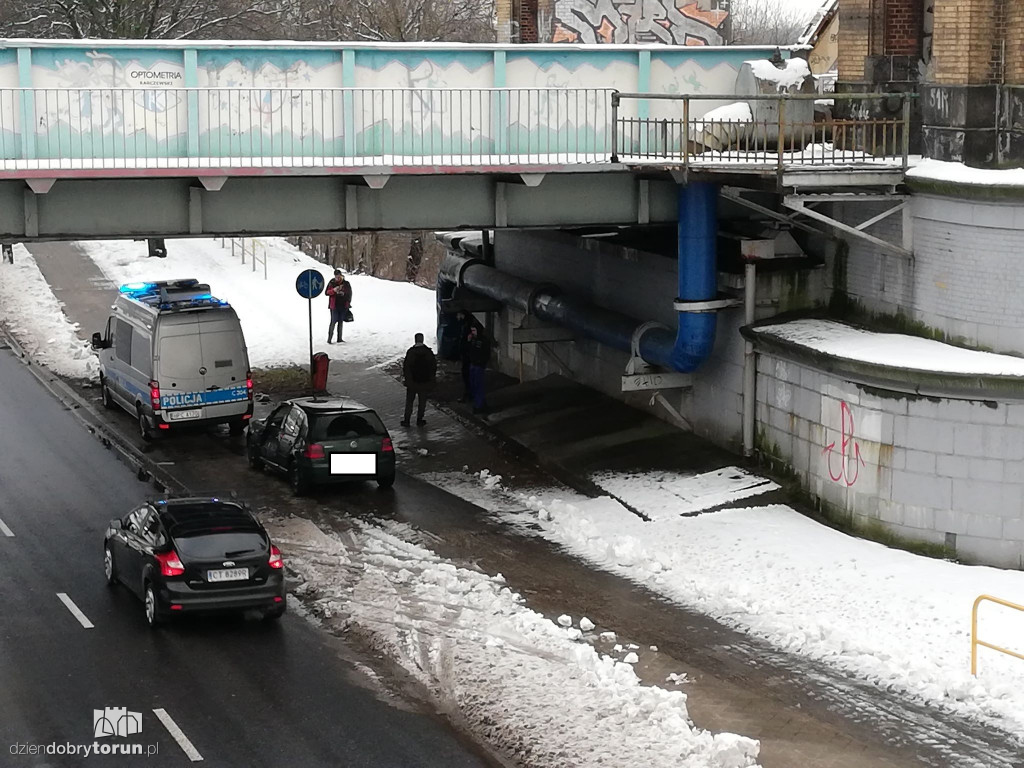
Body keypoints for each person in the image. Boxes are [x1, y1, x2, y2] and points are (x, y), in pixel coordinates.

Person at [401, 333, 437, 427]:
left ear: (415, 340)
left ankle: (407, 420)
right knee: (422, 402)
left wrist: (408, 381)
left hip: (412, 383)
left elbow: (406, 368)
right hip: (424, 383)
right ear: (423, 340)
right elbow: (433, 367)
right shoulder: (428, 352)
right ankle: (419, 420)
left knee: (409, 402)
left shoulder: (411, 352)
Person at [456, 311, 484, 402]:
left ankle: (471, 396)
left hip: (470, 358)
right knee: (471, 379)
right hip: (470, 357)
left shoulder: (467, 327)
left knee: (471, 379)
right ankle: (473, 397)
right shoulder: (469, 325)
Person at [465, 324, 491, 415]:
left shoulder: (483, 341)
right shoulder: (473, 340)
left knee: (478, 385)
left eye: (474, 331)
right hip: (473, 364)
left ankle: (479, 405)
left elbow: (486, 353)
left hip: (479, 365)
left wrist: (482, 363)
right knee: (474, 385)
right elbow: (468, 350)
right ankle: (480, 403)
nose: (473, 333)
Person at [326, 269, 352, 344]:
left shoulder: (346, 283)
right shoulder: (332, 282)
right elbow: (326, 292)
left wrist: (344, 295)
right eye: (336, 277)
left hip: (343, 305)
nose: (338, 278)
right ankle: (329, 339)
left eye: (339, 276)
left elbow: (349, 294)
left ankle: (339, 338)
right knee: (333, 322)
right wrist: (333, 290)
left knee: (340, 322)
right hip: (334, 305)